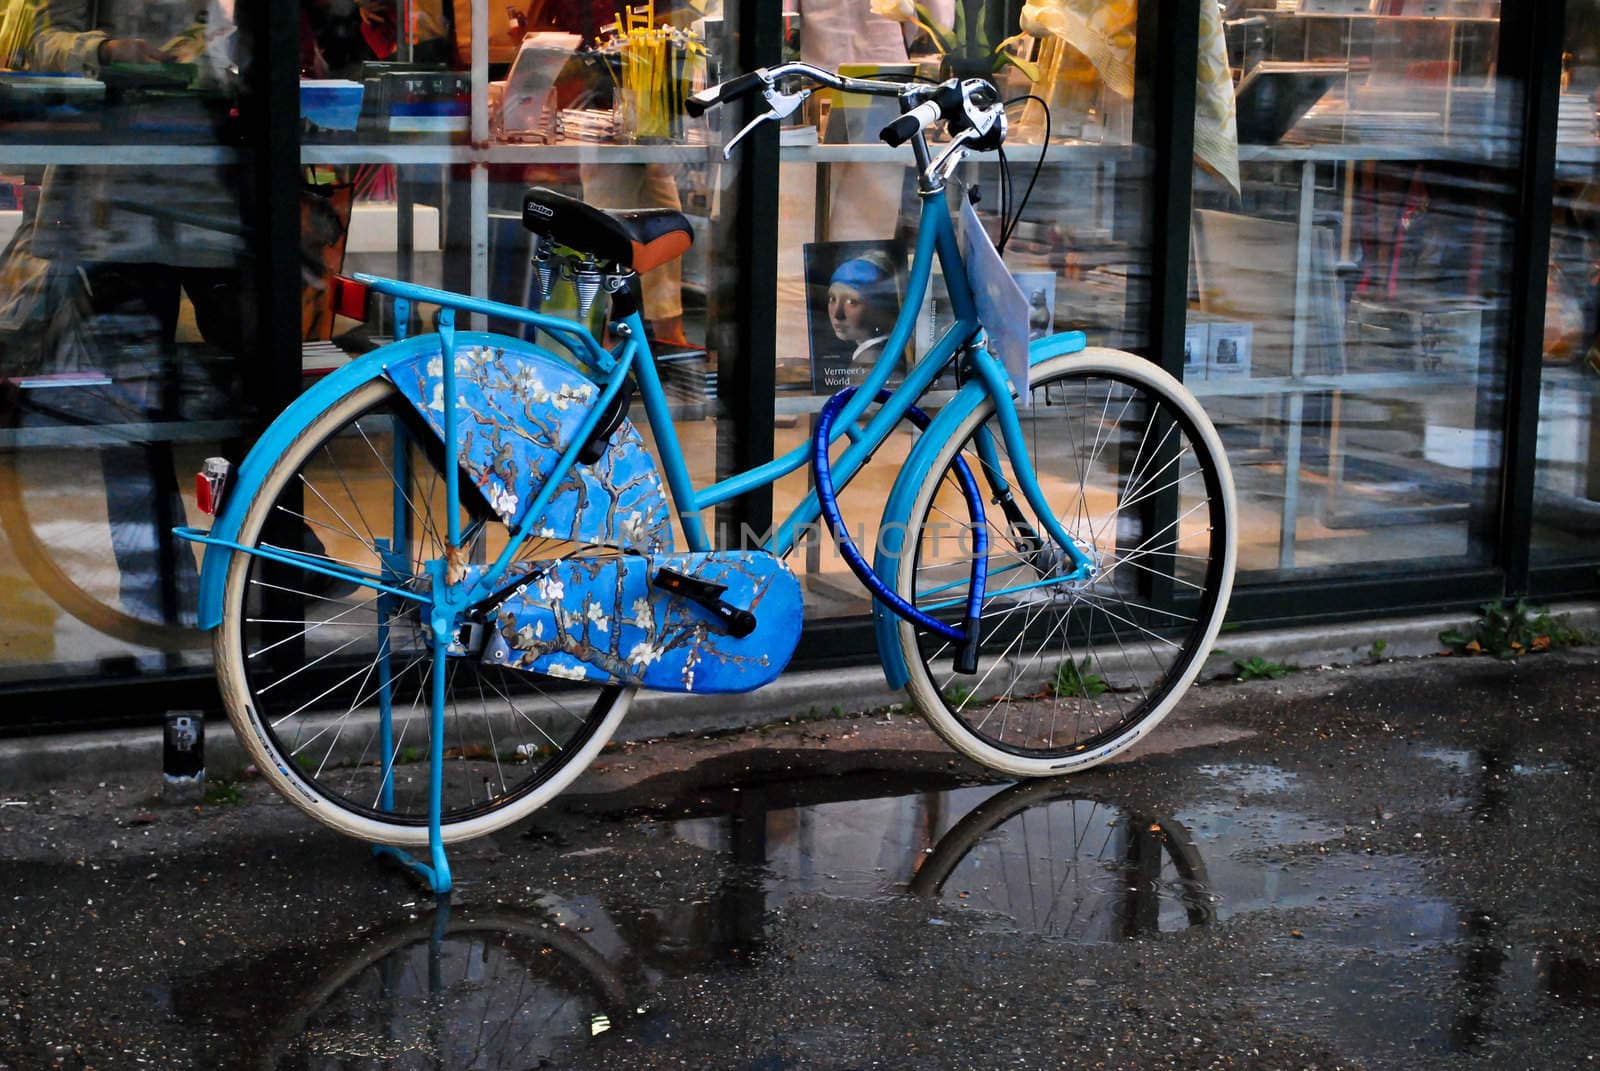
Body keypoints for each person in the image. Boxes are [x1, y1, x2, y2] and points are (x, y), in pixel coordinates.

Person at [17, 0, 250, 632]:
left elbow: (267, 50)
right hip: (113, 197)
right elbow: (39, 41)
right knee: (131, 411)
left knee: (257, 392)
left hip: (213, 193)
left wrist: (216, 57)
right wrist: (109, 53)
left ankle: (271, 570)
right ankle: (163, 598)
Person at [825, 251, 900, 372]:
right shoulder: (867, 355)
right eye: (832, 299)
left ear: (880, 307)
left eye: (852, 302)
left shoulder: (872, 361)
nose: (837, 314)